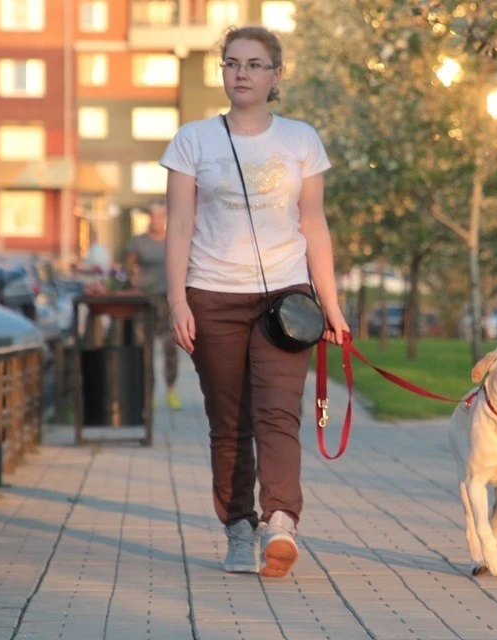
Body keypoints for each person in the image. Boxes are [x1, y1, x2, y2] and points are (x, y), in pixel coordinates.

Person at [160, 25, 348, 578]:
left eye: (254, 64)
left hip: (285, 302)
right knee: (229, 422)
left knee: (278, 414)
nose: (241, 73)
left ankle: (281, 522)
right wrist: (177, 303)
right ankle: (238, 528)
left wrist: (331, 306)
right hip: (211, 296)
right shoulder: (193, 140)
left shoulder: (300, 140)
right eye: (232, 63)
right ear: (222, 72)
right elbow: (178, 230)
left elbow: (313, 225)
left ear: (275, 76)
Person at [126, 199, 181, 411]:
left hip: (168, 299)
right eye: (153, 216)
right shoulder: (138, 242)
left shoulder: (174, 239)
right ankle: (149, 394)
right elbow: (128, 269)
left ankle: (171, 390)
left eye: (160, 216)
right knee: (146, 347)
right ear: (149, 218)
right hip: (146, 300)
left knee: (170, 347)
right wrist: (133, 283)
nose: (156, 220)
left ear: (165, 219)